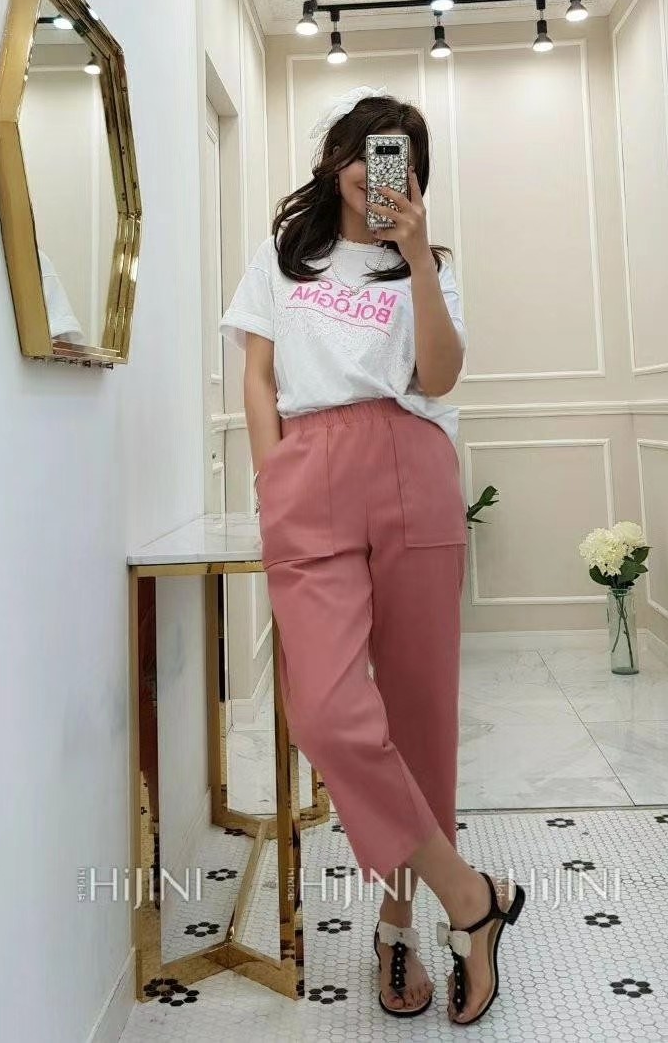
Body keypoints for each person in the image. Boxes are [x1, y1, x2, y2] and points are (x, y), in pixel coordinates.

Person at [219, 89, 525, 1026]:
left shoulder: (429, 263)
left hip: (410, 462)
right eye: (359, 149)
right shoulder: (285, 257)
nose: (370, 169)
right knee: (326, 712)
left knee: (419, 712)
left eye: (393, 156)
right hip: (310, 470)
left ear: (413, 174)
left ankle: (398, 925)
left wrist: (420, 258)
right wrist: (274, 479)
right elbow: (257, 376)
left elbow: (439, 375)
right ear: (336, 159)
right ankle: (471, 898)